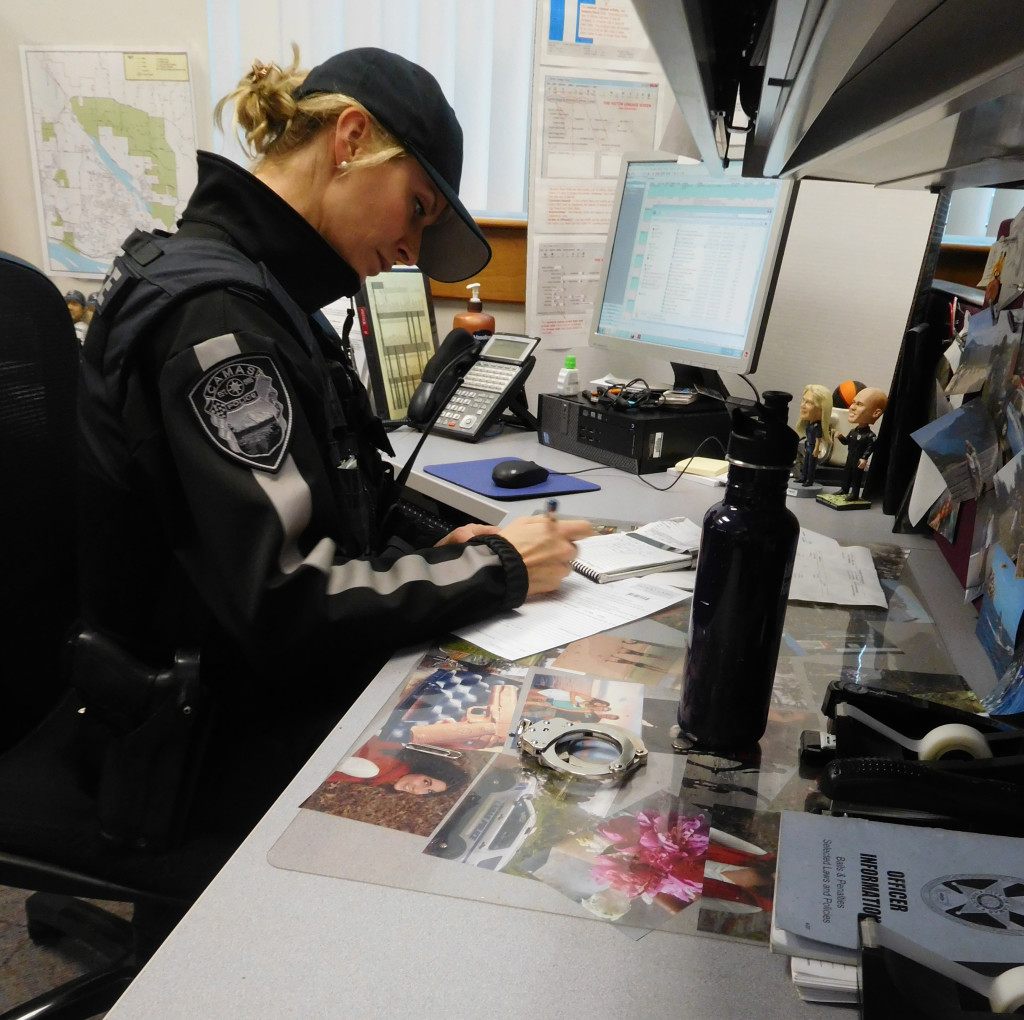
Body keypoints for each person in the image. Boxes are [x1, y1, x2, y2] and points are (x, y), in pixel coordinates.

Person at [75, 47, 592, 860]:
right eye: (416, 208)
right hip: (204, 733)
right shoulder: (220, 321)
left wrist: (431, 552)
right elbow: (285, 603)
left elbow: (325, 524)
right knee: (527, 795)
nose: (412, 250)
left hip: (229, 681)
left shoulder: (265, 298)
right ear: (349, 139)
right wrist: (496, 567)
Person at [327, 736, 467, 796]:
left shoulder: (393, 762)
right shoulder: (374, 770)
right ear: (425, 770)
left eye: (429, 792)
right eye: (426, 782)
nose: (418, 790)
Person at [835, 386, 887, 500]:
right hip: (850, 458)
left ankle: (854, 494)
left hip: (859, 460)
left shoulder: (870, 436)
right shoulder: (853, 432)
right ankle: (844, 489)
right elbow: (846, 442)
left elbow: (870, 448)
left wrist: (864, 458)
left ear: (876, 413)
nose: (852, 407)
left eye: (859, 404)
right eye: (853, 403)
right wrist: (840, 437)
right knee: (847, 474)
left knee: (856, 477)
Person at [795, 384, 833, 486]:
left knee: (811, 465)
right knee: (805, 463)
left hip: (813, 448)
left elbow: (818, 439)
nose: (803, 405)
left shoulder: (817, 426)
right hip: (808, 447)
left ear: (822, 409)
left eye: (809, 403)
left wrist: (816, 449)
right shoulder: (810, 425)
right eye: (804, 400)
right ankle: (803, 477)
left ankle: (809, 480)